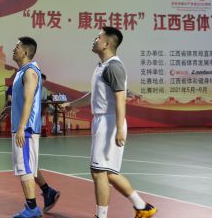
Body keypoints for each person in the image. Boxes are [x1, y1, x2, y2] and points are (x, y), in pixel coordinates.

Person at [63, 27, 157, 218]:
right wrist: (72, 105)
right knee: (109, 173)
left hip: (110, 122)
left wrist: (119, 128)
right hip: (102, 121)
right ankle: (143, 207)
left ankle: (101, 216)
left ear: (106, 43)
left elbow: (120, 98)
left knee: (98, 172)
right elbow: (94, 94)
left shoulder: (114, 67)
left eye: (98, 37)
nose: (94, 39)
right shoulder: (103, 66)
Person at [10, 37, 59, 218]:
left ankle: (32, 209)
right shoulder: (22, 71)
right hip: (23, 126)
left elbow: (29, 101)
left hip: (27, 129)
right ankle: (48, 192)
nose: (13, 49)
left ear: (25, 51)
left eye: (17, 47)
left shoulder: (30, 72)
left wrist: (22, 127)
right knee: (29, 164)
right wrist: (10, 110)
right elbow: (22, 100)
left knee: (25, 168)